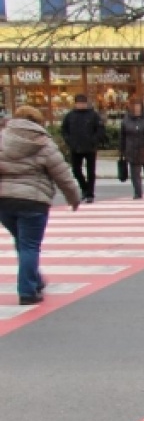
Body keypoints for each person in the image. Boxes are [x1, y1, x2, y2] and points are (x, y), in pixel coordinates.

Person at [0, 105, 81, 305]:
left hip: (4, 200)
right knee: (29, 245)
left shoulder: (2, 139)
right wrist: (74, 197)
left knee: (23, 242)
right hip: (34, 200)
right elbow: (61, 173)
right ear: (38, 122)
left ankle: (35, 280)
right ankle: (27, 291)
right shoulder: (44, 143)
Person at [60, 93, 105, 203]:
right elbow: (64, 130)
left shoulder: (93, 115)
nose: (81, 105)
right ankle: (84, 188)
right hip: (75, 147)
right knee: (76, 171)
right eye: (79, 103)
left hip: (90, 147)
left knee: (91, 172)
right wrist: (69, 141)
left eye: (83, 103)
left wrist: (94, 140)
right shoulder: (70, 115)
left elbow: (100, 129)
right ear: (75, 104)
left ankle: (90, 194)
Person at [119, 101, 144, 199]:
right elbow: (122, 135)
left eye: (138, 107)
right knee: (135, 174)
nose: (136, 109)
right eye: (134, 107)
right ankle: (138, 192)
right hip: (132, 150)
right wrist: (121, 149)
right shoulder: (126, 119)